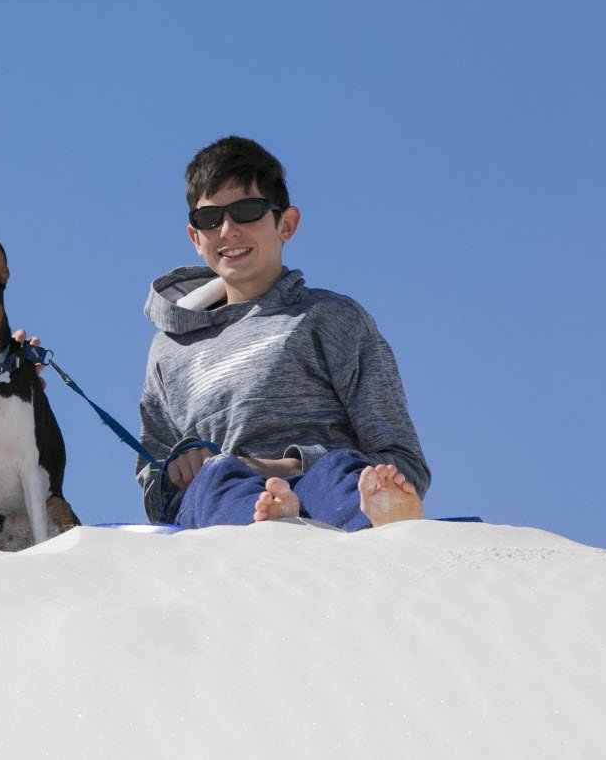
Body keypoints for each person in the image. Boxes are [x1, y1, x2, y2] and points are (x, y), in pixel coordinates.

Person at [136, 135, 429, 531]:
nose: (228, 231)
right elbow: (155, 493)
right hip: (220, 506)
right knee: (217, 477)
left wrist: (285, 465)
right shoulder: (169, 351)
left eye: (247, 211)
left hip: (321, 483)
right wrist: (178, 469)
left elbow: (403, 459)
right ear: (195, 237)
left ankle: (369, 523)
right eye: (210, 219)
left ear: (286, 224)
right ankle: (270, 526)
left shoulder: (331, 318)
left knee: (341, 469)